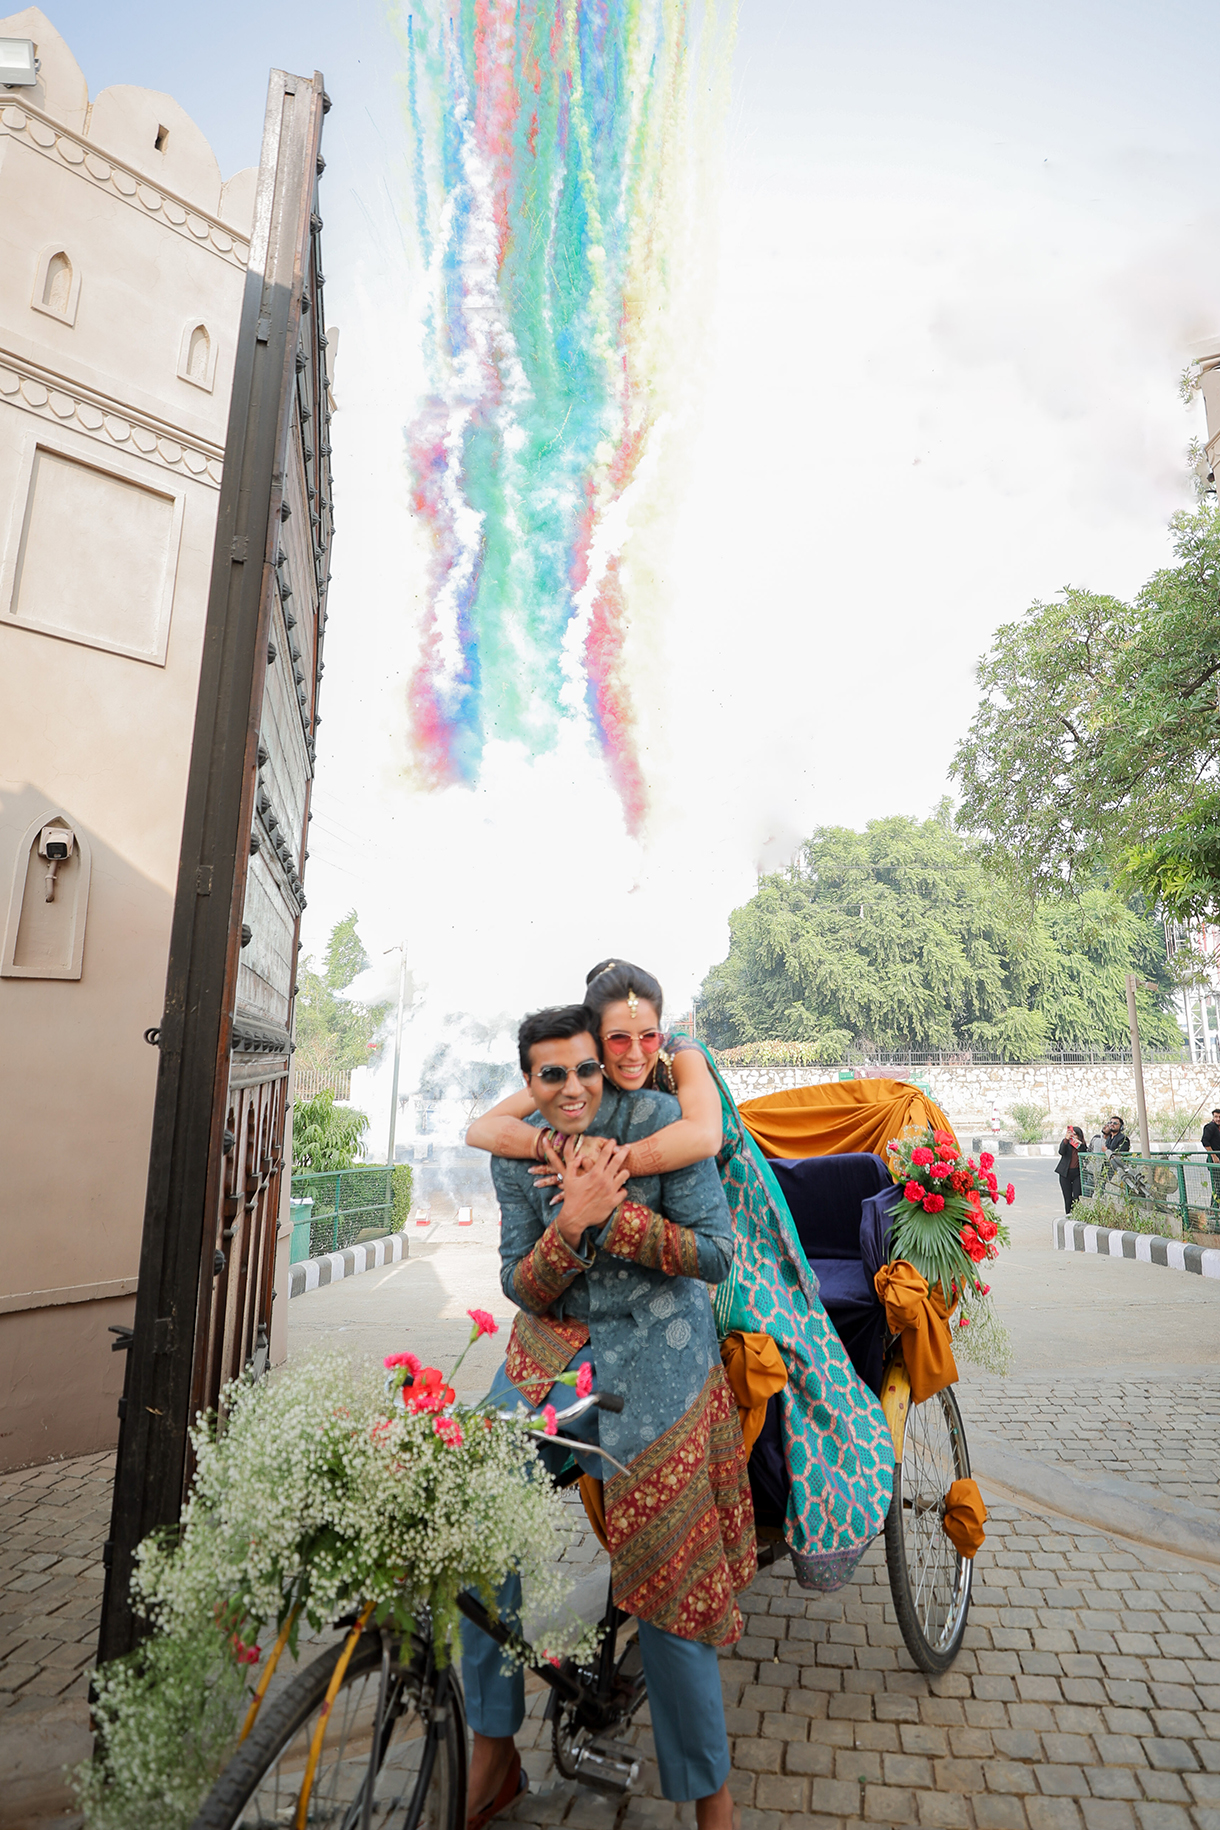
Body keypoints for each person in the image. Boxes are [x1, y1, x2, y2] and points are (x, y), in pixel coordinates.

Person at [468, 959, 896, 1594]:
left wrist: (611, 1167)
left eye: (648, 1034)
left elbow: (702, 1133)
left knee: (787, 1354)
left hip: (731, 1215)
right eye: (618, 1037)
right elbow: (482, 1128)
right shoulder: (576, 1074)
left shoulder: (681, 1055)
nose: (637, 1050)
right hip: (613, 1268)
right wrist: (551, 1148)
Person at [462, 1003, 750, 1830]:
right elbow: (522, 1284)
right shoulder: (526, 1154)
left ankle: (711, 1803)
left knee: (668, 1578)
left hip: (660, 1371)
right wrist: (571, 1220)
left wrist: (615, 1217)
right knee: (470, 1503)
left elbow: (716, 1252)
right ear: (529, 1085)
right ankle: (493, 1749)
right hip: (555, 1366)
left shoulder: (663, 1124)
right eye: (552, 1075)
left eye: (587, 1068)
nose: (575, 1085)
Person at [1055, 1124, 1085, 1214]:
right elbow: (1061, 1151)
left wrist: (1079, 1145)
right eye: (1071, 1134)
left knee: (1077, 1196)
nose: (1073, 1136)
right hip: (1065, 1173)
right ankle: (1068, 1215)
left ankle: (1077, 1214)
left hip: (1077, 1173)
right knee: (1068, 1198)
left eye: (1075, 1134)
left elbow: (1085, 1153)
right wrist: (1066, 1139)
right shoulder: (1066, 1143)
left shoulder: (1081, 1145)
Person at [1202, 1107, 1220, 1208]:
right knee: (1217, 1185)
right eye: (1216, 1117)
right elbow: (1205, 1141)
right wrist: (1213, 1155)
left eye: (1219, 1117)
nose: (1218, 1119)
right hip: (1214, 1161)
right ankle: (1214, 1208)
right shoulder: (1210, 1127)